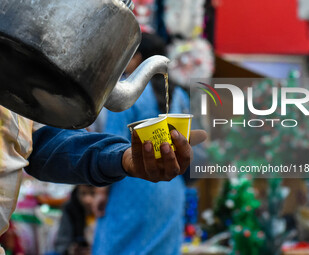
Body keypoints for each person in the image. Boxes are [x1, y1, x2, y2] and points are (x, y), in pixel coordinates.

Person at [0, 92, 206, 254]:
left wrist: (120, 159)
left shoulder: (129, 96)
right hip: (162, 182)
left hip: (132, 180)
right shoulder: (180, 94)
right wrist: (120, 157)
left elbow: (40, 141)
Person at [91, 32, 191, 255]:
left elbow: (112, 145)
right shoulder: (179, 95)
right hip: (171, 185)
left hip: (132, 184)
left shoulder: (125, 92)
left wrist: (100, 193)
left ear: (140, 58)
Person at [55, 185, 96, 255]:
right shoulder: (70, 209)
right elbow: (62, 243)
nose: (87, 200)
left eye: (93, 193)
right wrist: (70, 250)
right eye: (83, 193)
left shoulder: (108, 210)